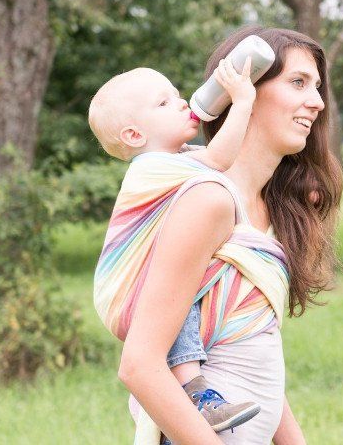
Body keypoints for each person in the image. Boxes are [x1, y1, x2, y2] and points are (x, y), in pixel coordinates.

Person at [117, 25, 342, 444]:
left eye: (316, 86)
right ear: (245, 89)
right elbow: (140, 365)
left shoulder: (267, 211)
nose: (317, 101)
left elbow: (251, 357)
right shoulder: (208, 201)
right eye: (298, 82)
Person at [88, 58, 264, 433]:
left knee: (180, 298)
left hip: (132, 287)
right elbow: (220, 158)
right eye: (164, 103)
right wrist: (243, 101)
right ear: (134, 135)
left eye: (177, 94)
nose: (182, 102)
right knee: (176, 302)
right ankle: (195, 393)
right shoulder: (151, 166)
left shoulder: (175, 160)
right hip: (124, 288)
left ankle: (187, 395)